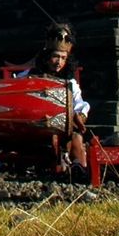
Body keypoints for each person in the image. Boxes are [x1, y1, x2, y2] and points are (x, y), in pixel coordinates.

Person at [18, 22, 90, 169]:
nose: (59, 62)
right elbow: (15, 89)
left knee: (76, 136)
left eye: (63, 58)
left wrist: (79, 115)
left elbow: (80, 103)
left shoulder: (69, 82)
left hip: (59, 127)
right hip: (32, 126)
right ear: (47, 56)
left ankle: (78, 167)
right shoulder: (29, 76)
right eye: (56, 57)